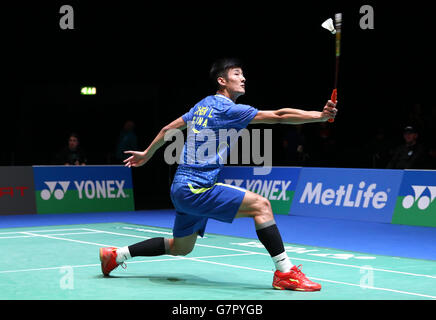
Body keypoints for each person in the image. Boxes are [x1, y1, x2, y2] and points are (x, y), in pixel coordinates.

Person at [99, 58, 337, 291]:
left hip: (182, 188)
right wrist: (320, 116)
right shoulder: (227, 109)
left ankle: (116, 255)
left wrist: (147, 154)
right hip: (197, 188)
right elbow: (279, 116)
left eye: (243, 74)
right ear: (222, 80)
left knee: (181, 247)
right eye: (236, 74)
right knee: (262, 206)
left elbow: (167, 128)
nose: (243, 78)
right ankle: (285, 273)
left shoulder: (202, 105)